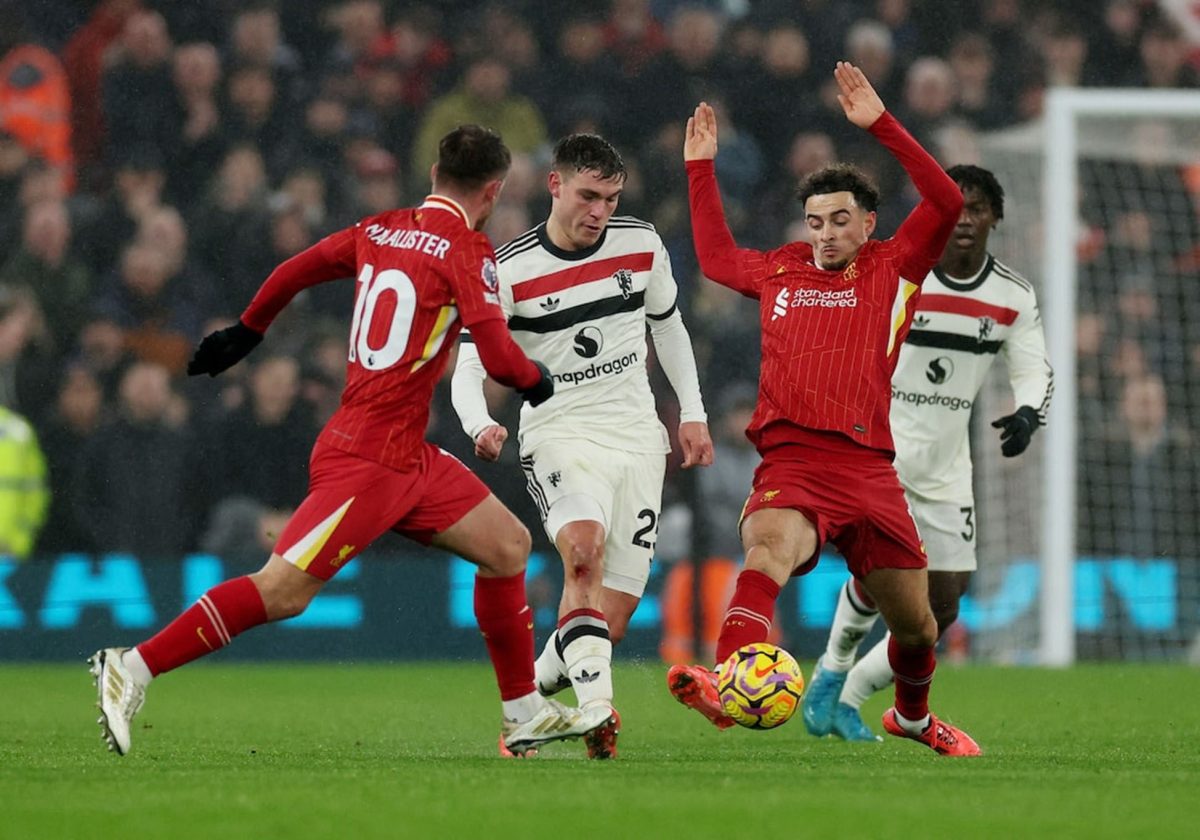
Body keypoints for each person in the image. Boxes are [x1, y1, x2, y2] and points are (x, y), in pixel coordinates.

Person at [90, 125, 613, 759]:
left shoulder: (379, 229)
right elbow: (502, 359)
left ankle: (523, 711)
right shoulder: (467, 249)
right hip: (367, 459)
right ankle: (132, 666)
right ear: (494, 191)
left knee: (506, 546)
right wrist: (542, 383)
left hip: (405, 454)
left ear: (433, 175)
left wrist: (249, 331)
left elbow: (293, 270)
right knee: (282, 589)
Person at [668, 62, 981, 756]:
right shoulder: (780, 268)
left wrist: (881, 124)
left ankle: (912, 717)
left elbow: (947, 201)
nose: (827, 234)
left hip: (869, 469)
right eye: (816, 222)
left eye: (841, 220)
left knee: (919, 627)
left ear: (868, 222)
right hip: (794, 460)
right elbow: (717, 257)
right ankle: (728, 680)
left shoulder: (894, 267)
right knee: (768, 549)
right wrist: (699, 167)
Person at [450, 133, 712, 759]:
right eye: (589, 196)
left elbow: (669, 329)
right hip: (559, 433)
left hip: (638, 439)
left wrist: (693, 415)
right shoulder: (507, 271)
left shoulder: (640, 244)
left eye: (611, 198)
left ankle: (530, 714)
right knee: (583, 555)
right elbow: (466, 364)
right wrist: (477, 423)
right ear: (555, 186)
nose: (599, 211)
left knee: (606, 620)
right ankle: (597, 711)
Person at [801, 165, 1053, 742]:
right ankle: (832, 674)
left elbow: (1034, 365)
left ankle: (851, 694)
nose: (964, 219)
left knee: (943, 611)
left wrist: (1029, 411)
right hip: (878, 451)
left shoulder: (1011, 295)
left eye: (977, 208)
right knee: (878, 574)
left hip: (946, 466)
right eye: (955, 207)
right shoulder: (899, 273)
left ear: (995, 218)